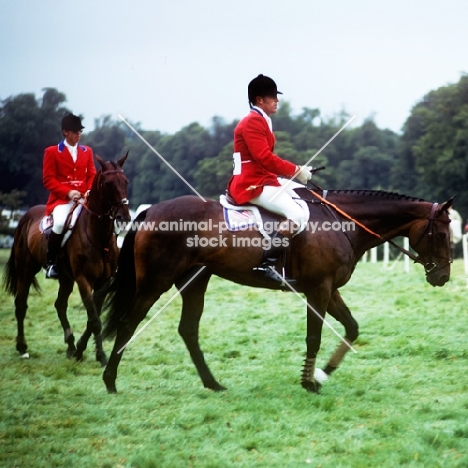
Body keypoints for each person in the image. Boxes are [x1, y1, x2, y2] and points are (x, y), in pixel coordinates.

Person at [227, 74, 312, 285]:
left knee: (303, 195)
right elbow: (264, 158)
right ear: (259, 100)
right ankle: (266, 264)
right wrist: (296, 169)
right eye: (273, 97)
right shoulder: (253, 122)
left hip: (263, 178)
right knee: (296, 213)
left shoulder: (262, 119)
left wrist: (298, 173)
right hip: (251, 183)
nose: (277, 100)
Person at [43, 113, 96, 279]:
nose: (78, 134)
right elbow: (48, 180)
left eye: (80, 131)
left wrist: (89, 190)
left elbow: (92, 175)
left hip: (84, 198)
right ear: (65, 132)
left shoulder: (87, 151)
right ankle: (51, 263)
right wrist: (68, 192)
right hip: (61, 200)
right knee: (59, 223)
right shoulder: (52, 152)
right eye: (75, 132)